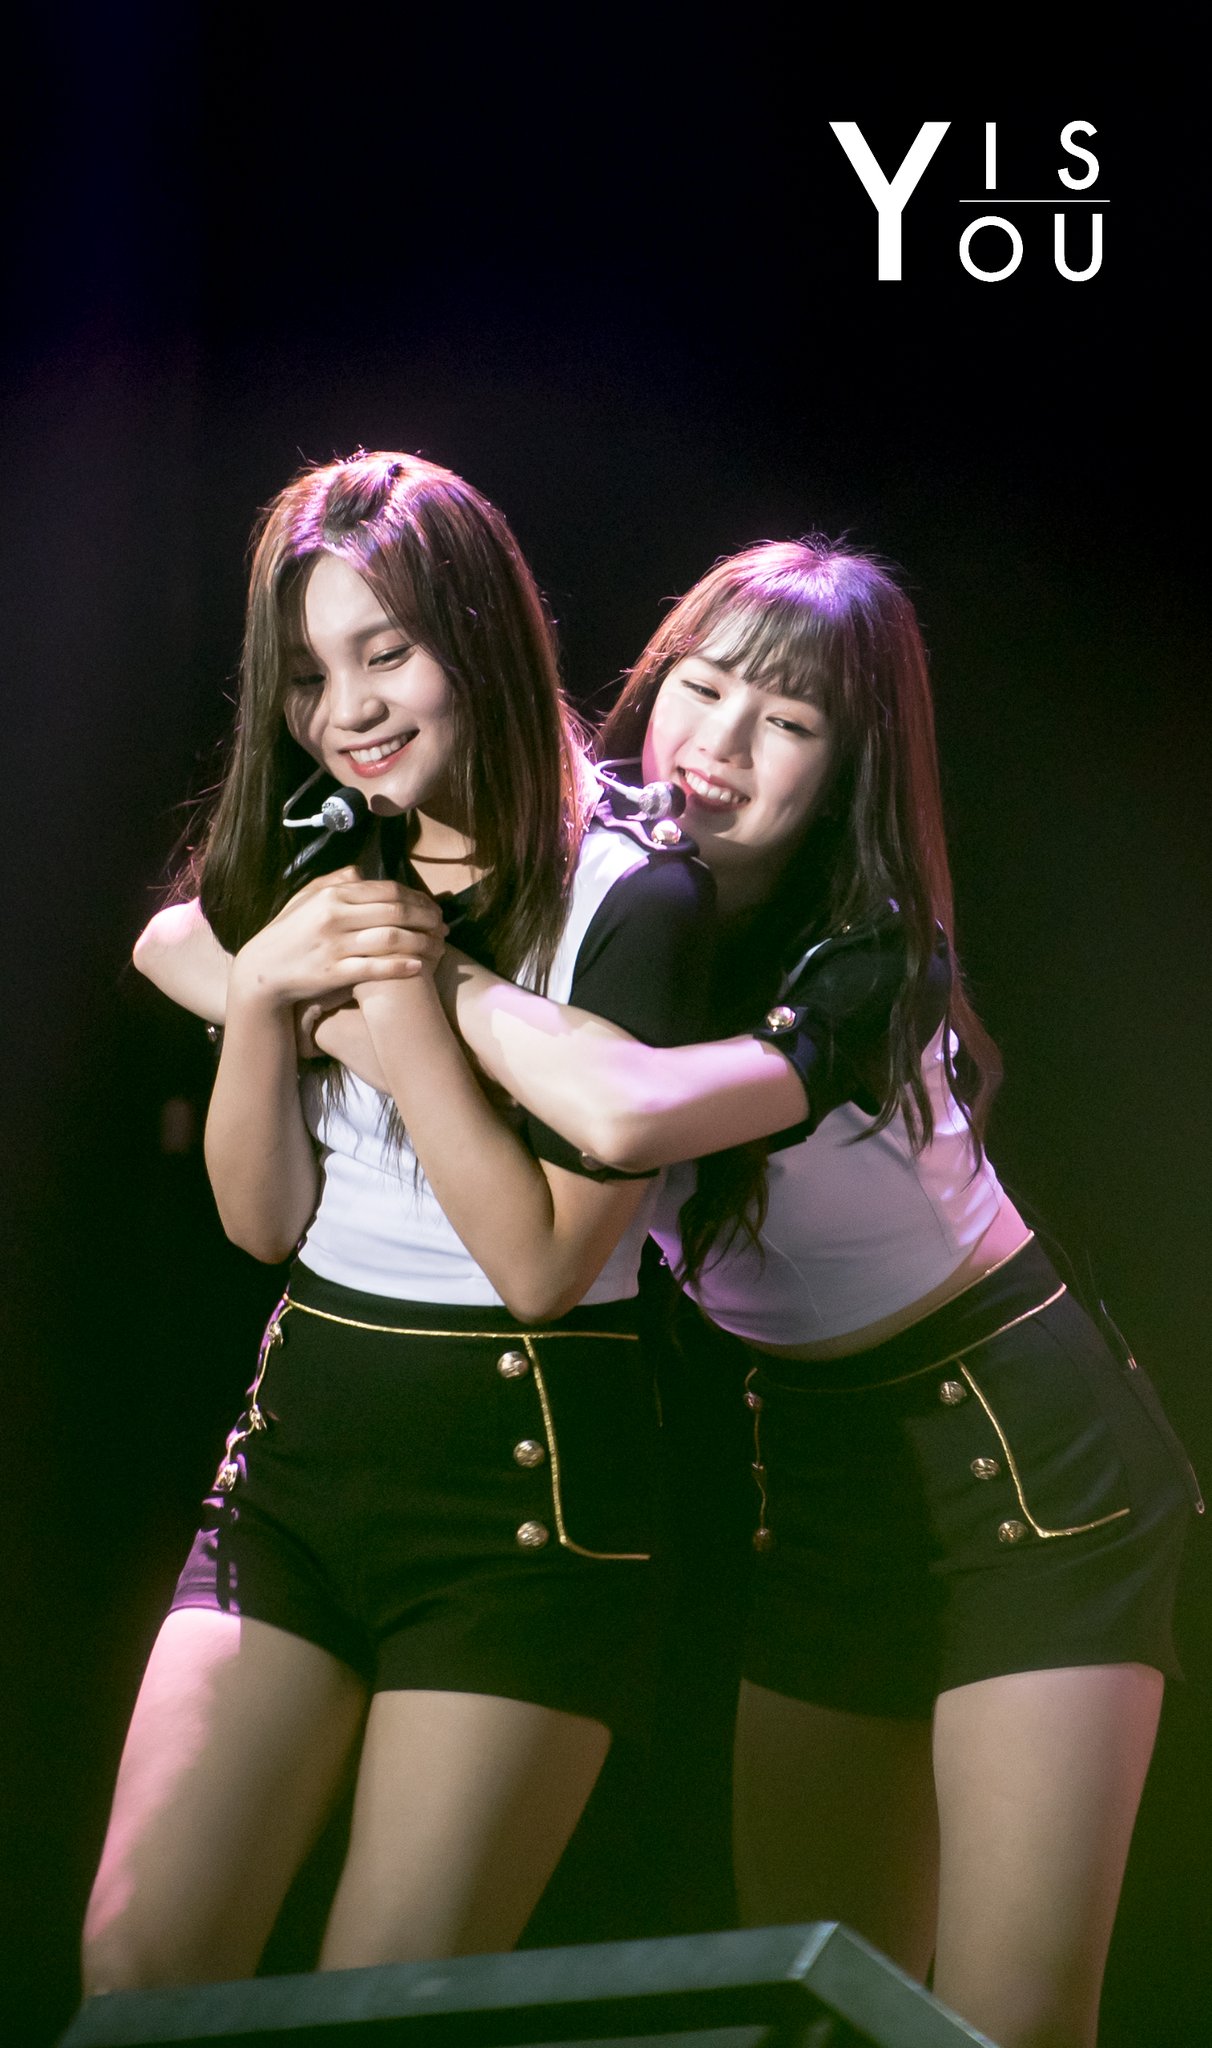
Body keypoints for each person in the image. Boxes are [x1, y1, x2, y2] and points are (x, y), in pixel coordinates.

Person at [133, 538, 1202, 2048]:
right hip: (808, 1478)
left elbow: (626, 1115)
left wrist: (410, 978)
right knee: (831, 1994)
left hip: (1024, 1470)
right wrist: (312, 983)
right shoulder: (611, 877)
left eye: (790, 722)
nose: (720, 745)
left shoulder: (867, 957)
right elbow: (183, 938)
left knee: (1009, 2019)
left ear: (850, 769)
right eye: (700, 690)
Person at [82, 451, 716, 1994]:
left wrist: (391, 1002)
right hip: (297, 1465)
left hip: (528, 1496)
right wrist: (263, 1001)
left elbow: (543, 1266)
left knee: (384, 1999)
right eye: (310, 676)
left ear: (479, 635)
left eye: (388, 654)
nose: (348, 711)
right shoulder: (311, 848)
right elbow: (260, 1223)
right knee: (138, 1973)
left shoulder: (632, 897)